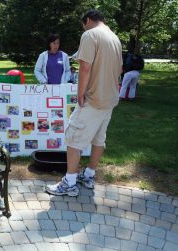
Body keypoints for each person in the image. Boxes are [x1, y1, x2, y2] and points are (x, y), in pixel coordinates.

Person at [46, 9, 122, 196]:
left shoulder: (90, 35)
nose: (83, 27)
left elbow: (85, 67)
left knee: (73, 138)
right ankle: (88, 175)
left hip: (93, 99)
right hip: (110, 98)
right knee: (98, 139)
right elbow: (120, 69)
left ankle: (70, 182)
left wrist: (80, 94)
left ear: (87, 20)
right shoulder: (115, 38)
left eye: (83, 24)